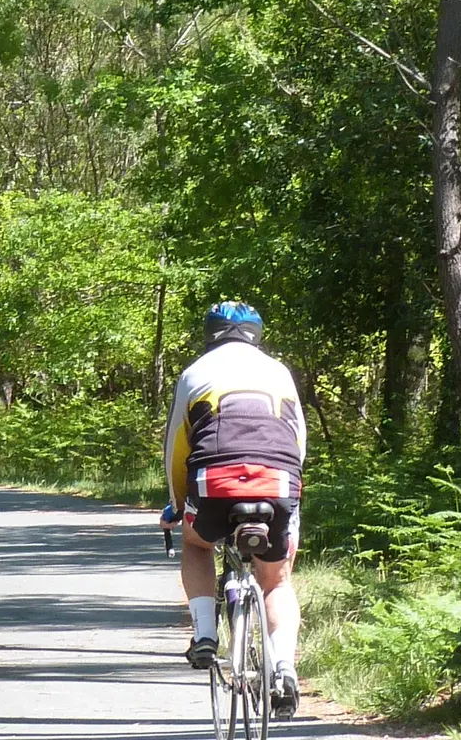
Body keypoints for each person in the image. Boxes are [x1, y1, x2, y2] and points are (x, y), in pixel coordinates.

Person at [161, 300, 306, 717]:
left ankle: (205, 634)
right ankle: (284, 668)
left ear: (210, 334)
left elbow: (177, 447)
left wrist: (175, 504)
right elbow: (298, 442)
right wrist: (293, 492)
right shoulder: (279, 372)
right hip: (279, 481)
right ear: (257, 336)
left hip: (212, 481)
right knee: (276, 581)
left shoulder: (194, 373)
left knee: (198, 544)